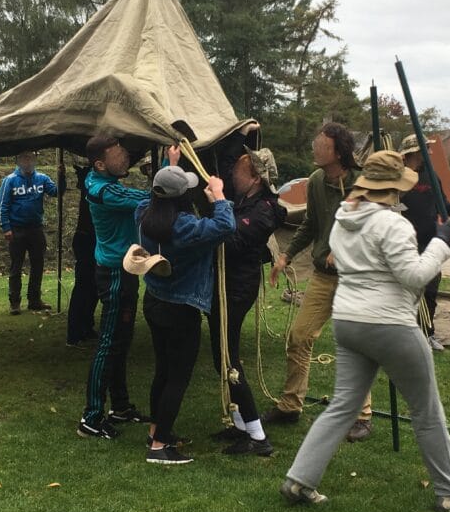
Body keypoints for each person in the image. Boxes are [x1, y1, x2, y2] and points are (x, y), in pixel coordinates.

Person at [281, 150, 450, 512]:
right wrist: (442, 241)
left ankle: (300, 479)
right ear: (394, 187)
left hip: (349, 322)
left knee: (342, 407)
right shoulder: (394, 225)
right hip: (391, 324)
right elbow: (414, 276)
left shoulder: (343, 220)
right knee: (427, 411)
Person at [266, 122, 373, 442]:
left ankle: (363, 416)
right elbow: (311, 224)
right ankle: (291, 405)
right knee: (299, 336)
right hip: (323, 278)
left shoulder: (361, 183)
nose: (315, 145)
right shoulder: (315, 180)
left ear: (338, 151)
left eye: (321, 143)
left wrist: (344, 249)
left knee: (355, 345)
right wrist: (286, 255)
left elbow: (373, 228)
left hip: (355, 278)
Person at [136, 159, 236, 463]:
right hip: (181, 310)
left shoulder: (143, 214)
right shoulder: (184, 227)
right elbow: (225, 226)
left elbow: (157, 193)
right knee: (178, 378)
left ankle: (156, 431)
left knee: (163, 371)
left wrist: (171, 167)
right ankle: (159, 447)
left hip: (154, 301)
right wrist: (219, 196)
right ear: (182, 197)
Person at [77, 135, 175, 439]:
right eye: (118, 155)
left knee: (121, 340)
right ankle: (91, 417)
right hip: (115, 274)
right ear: (100, 164)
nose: (125, 158)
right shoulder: (105, 190)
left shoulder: (101, 181)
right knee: (109, 343)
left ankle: (119, 406)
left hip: (122, 269)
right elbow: (152, 200)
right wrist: (170, 166)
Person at [207, 123, 285, 456]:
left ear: (254, 178)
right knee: (221, 357)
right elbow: (224, 165)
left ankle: (257, 436)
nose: (232, 175)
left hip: (237, 287)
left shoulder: (264, 210)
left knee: (229, 359)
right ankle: (241, 426)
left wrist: (219, 203)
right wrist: (242, 135)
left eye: (241, 170)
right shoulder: (245, 197)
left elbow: (233, 239)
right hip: (225, 283)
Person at [398, 135, 450, 351]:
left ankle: (427, 334)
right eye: (425, 149)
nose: (429, 154)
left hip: (428, 242)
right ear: (413, 152)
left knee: (430, 290)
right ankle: (403, 334)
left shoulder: (431, 176)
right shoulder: (398, 177)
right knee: (404, 292)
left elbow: (442, 203)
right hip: (403, 243)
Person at [0, 152, 65, 314]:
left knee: (38, 265)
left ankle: (34, 300)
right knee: (16, 266)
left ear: (34, 161)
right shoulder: (10, 180)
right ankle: (14, 302)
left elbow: (56, 192)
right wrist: (6, 227)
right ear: (18, 161)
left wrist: (62, 177)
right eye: (24, 159)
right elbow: (2, 206)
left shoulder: (42, 178)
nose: (27, 162)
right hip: (16, 229)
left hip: (36, 229)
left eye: (30, 159)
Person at [66, 163, 99, 348]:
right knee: (84, 286)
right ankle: (75, 332)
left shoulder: (91, 185)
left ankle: (86, 326)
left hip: (90, 237)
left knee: (92, 287)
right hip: (87, 238)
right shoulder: (92, 185)